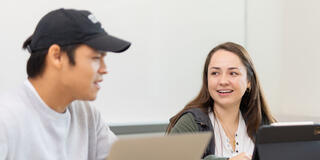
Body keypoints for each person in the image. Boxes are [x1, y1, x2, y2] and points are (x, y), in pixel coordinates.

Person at [0, 8, 130, 160]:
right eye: (95, 58)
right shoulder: (6, 119)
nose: (104, 69)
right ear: (56, 56)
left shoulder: (87, 114)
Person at [166, 42, 276, 160]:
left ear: (249, 81)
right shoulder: (191, 123)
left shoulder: (263, 123)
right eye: (215, 73)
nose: (223, 81)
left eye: (233, 73)